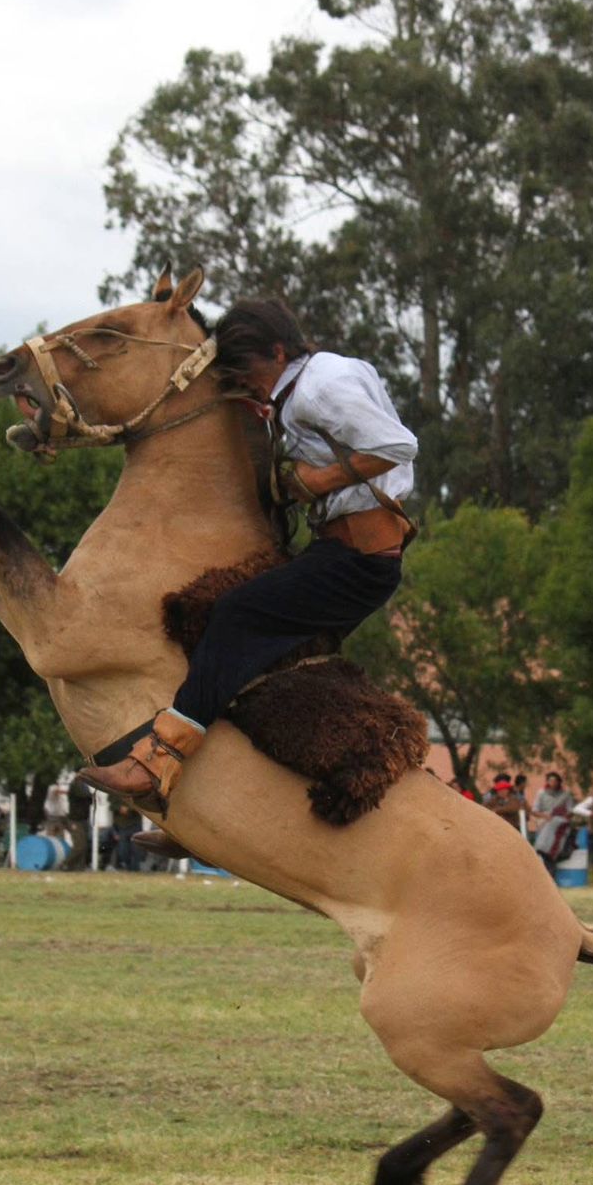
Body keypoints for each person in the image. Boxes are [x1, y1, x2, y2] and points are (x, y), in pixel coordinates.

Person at [78, 298, 418, 814]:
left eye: (248, 370)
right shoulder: (313, 382)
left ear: (278, 350)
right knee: (255, 663)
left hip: (357, 563)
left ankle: (158, 759)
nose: (245, 380)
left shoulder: (322, 387)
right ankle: (224, 815)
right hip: (346, 553)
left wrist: (318, 479)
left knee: (234, 613)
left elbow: (398, 445)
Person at [529, 772, 573, 877]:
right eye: (550, 780)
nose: (552, 783)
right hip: (544, 821)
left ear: (558, 782)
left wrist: (561, 814)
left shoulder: (565, 795)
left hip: (559, 823)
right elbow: (535, 810)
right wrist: (545, 816)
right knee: (543, 846)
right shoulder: (541, 793)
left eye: (555, 781)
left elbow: (570, 811)